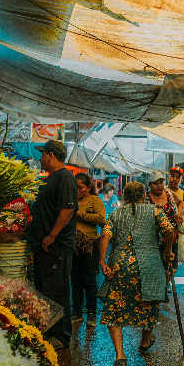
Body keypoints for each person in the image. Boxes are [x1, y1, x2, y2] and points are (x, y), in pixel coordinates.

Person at [98, 182, 175, 366]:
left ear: (124, 197)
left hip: (120, 266)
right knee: (150, 304)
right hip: (149, 266)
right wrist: (167, 251)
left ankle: (120, 355)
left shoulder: (116, 214)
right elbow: (169, 230)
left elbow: (105, 237)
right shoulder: (155, 211)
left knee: (114, 309)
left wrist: (102, 262)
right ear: (144, 196)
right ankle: (144, 341)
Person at [27, 140, 78, 349]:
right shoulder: (51, 178)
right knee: (45, 289)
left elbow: (67, 210)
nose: (40, 159)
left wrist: (51, 236)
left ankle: (61, 335)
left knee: (57, 289)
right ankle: (48, 330)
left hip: (56, 246)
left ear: (51, 155)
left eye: (43, 155)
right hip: (44, 246)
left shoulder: (64, 177)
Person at [71, 173, 106, 327]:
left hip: (90, 245)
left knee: (89, 280)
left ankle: (91, 313)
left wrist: (81, 215)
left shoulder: (94, 200)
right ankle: (77, 312)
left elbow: (101, 218)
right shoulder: (70, 200)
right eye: (75, 187)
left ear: (89, 188)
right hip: (72, 246)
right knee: (75, 280)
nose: (78, 190)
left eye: (81, 187)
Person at [145, 171, 184, 276]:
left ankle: (166, 285)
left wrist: (179, 213)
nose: (159, 185)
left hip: (171, 238)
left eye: (161, 182)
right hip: (154, 240)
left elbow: (180, 202)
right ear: (149, 185)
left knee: (173, 268)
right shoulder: (146, 198)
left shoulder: (169, 193)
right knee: (159, 268)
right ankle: (163, 288)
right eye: (155, 183)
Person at [167, 166, 184, 263]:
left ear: (181, 180)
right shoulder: (162, 192)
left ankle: (171, 277)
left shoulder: (183, 195)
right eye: (172, 176)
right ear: (168, 177)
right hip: (161, 235)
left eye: (178, 177)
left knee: (175, 263)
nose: (174, 179)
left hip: (177, 236)